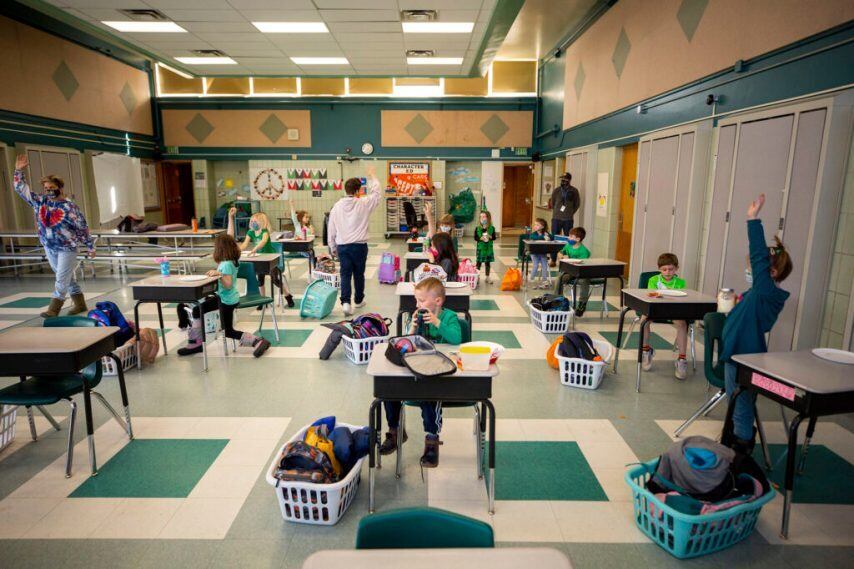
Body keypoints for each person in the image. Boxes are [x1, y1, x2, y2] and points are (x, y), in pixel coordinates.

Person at [721, 194, 792, 453]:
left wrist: (753, 219)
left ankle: (741, 446)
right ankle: (736, 436)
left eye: (756, 267)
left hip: (744, 355)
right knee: (735, 399)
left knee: (740, 402)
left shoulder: (766, 291)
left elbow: (759, 254)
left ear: (770, 273)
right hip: (735, 352)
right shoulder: (761, 293)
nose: (751, 268)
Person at [380, 277, 462, 468]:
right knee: (388, 387)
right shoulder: (416, 316)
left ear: (438, 301)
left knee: (429, 393)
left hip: (438, 372)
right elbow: (407, 343)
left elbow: (457, 338)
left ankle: (432, 440)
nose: (417, 305)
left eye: (422, 300)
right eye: (416, 300)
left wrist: (437, 322)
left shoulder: (449, 317)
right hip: (415, 366)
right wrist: (413, 327)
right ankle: (395, 430)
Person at [13, 154, 95, 318]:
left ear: (60, 188)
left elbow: (82, 227)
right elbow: (21, 189)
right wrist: (18, 171)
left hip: (67, 248)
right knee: (64, 276)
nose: (49, 191)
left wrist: (90, 246)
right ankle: (80, 303)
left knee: (61, 277)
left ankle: (54, 308)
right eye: (46, 189)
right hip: (49, 246)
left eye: (51, 188)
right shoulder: (40, 201)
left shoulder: (70, 207)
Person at [177, 233, 271, 358]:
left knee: (202, 314)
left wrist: (219, 274)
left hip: (225, 300)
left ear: (220, 249)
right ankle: (256, 341)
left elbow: (228, 284)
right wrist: (217, 274)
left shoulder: (226, 264)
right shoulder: (231, 261)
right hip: (228, 298)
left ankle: (196, 344)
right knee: (219, 324)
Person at [327, 165, 382, 316]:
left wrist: (332, 247)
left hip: (342, 246)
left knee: (345, 274)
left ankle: (345, 303)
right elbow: (377, 194)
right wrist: (372, 175)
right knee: (359, 274)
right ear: (358, 191)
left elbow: (331, 228)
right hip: (359, 246)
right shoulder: (363, 203)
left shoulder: (336, 207)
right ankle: (358, 300)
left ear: (345, 190)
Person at [228, 209, 294, 308]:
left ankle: (288, 296)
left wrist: (254, 249)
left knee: (275, 280)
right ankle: (262, 301)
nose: (253, 223)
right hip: (259, 259)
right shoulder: (250, 232)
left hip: (271, 259)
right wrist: (238, 250)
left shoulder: (264, 231)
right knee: (260, 281)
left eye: (256, 221)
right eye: (252, 221)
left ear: (262, 222)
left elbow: (263, 242)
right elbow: (245, 244)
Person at [642, 253, 690, 379]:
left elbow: (682, 298)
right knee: (644, 320)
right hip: (656, 308)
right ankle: (646, 351)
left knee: (682, 324)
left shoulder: (680, 282)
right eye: (664, 269)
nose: (668, 272)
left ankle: (682, 359)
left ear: (676, 268)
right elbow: (650, 295)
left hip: (673, 310)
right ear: (659, 269)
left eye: (671, 269)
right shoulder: (653, 280)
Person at [554, 227, 592, 314]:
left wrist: (570, 259)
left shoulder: (584, 251)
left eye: (571, 237)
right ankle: (558, 300)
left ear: (578, 239)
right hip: (570, 272)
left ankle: (582, 304)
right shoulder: (568, 245)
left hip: (581, 273)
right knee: (559, 279)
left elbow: (581, 265)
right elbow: (560, 253)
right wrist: (562, 256)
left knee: (584, 281)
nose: (569, 238)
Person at [548, 172, 581, 266]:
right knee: (554, 239)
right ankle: (553, 260)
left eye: (565, 179)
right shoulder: (556, 190)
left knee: (569, 239)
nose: (563, 181)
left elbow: (577, 204)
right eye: (562, 179)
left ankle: (567, 260)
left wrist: (570, 212)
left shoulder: (574, 191)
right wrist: (558, 211)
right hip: (556, 218)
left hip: (568, 219)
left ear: (569, 180)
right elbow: (553, 203)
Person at [527, 218, 552, 289]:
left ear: (542, 227)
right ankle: (531, 278)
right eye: (535, 225)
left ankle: (544, 280)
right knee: (536, 265)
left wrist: (548, 237)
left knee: (545, 266)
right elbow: (534, 238)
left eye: (537, 225)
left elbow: (552, 237)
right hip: (534, 253)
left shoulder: (545, 233)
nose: (535, 226)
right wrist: (543, 237)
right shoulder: (533, 234)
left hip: (542, 252)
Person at [474, 210, 498, 284]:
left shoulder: (492, 228)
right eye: (481, 216)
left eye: (484, 216)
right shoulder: (477, 228)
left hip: (488, 249)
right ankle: (477, 277)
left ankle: (487, 277)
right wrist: (480, 238)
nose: (482, 218)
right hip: (481, 249)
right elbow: (475, 238)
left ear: (488, 218)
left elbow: (494, 237)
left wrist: (489, 236)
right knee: (478, 263)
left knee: (487, 263)